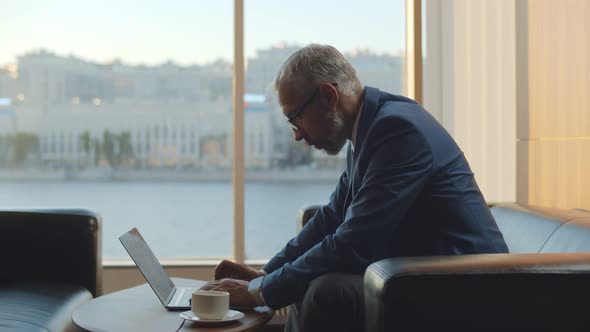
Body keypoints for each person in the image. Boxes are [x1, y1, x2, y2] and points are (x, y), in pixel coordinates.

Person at [200, 44, 509, 332]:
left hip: (468, 286)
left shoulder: (398, 131)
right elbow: (331, 218)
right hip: (423, 274)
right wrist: (267, 275)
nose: (297, 134)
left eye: (295, 118)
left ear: (328, 96)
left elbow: (355, 242)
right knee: (316, 282)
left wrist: (259, 292)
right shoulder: (370, 128)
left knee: (327, 291)